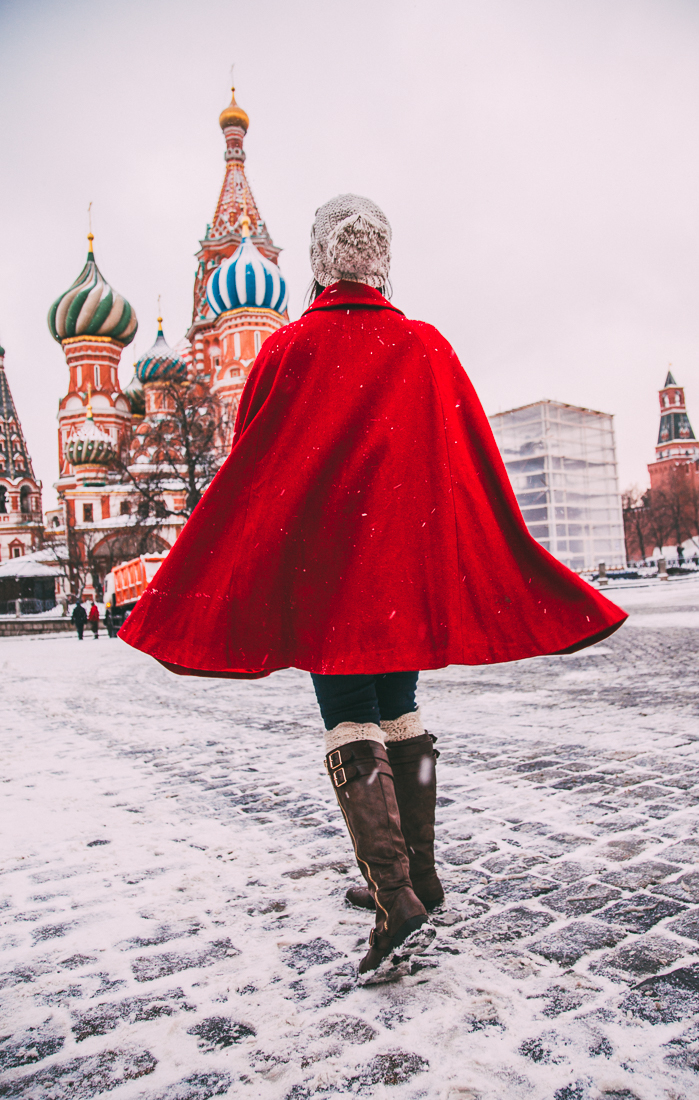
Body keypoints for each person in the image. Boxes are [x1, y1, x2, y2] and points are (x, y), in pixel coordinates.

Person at [120, 194, 627, 984]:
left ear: (321, 263)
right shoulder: (424, 346)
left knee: (349, 718)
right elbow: (467, 462)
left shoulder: (288, 349)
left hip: (330, 577)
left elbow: (255, 472)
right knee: (400, 712)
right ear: (380, 261)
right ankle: (417, 875)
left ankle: (396, 898)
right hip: (401, 572)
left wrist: (224, 565)